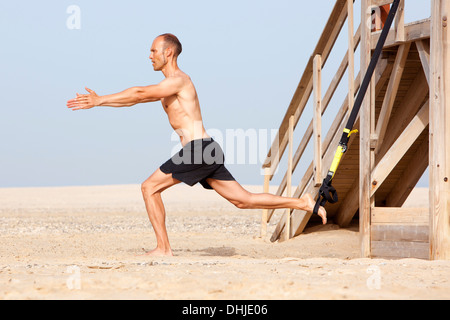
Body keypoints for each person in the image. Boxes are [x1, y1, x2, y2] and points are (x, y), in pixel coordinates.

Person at [67, 33, 327, 256]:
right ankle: (303, 203)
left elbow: (139, 93)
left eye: (153, 50)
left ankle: (163, 248)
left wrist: (100, 100)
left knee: (149, 188)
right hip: (204, 150)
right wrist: (101, 102)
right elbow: (135, 99)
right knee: (243, 200)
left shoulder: (180, 80)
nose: (149, 55)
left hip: (199, 150)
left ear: (168, 52)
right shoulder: (169, 84)